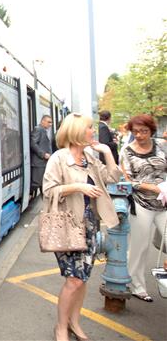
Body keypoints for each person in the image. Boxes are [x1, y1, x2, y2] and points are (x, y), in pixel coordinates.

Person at [43, 113, 122, 341]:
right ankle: (60, 327)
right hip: (68, 225)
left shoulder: (89, 156)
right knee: (74, 279)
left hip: (90, 225)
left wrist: (107, 153)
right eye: (89, 128)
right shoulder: (59, 157)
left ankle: (74, 323)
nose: (92, 132)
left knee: (83, 278)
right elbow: (48, 190)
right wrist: (78, 186)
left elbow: (112, 177)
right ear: (77, 131)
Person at [119, 114, 167, 303]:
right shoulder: (126, 151)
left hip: (164, 203)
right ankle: (137, 286)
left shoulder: (162, 146)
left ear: (151, 131)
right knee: (139, 247)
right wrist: (153, 187)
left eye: (144, 131)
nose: (139, 135)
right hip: (141, 204)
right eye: (136, 132)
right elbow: (128, 180)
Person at [30, 115, 53, 196]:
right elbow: (33, 144)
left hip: (42, 163)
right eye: (49, 122)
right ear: (42, 121)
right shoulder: (38, 129)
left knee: (44, 186)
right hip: (39, 163)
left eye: (51, 122)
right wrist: (43, 154)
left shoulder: (43, 130)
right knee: (42, 185)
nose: (51, 124)